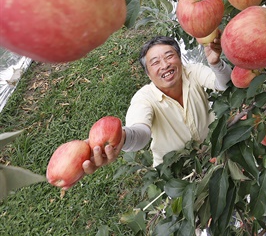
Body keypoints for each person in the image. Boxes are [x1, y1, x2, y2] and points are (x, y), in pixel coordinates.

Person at [82, 34, 232, 175]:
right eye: (155, 62)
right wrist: (122, 138)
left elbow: (224, 84)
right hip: (176, 173)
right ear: (148, 74)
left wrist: (216, 64)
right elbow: (141, 132)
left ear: (180, 59)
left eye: (170, 56)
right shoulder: (144, 98)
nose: (165, 65)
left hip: (215, 151)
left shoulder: (193, 72)